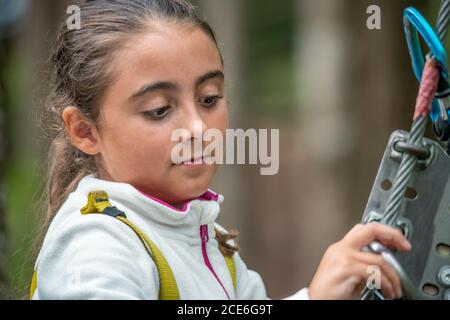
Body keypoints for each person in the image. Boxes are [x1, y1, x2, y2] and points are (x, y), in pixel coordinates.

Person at [30, 0, 411, 300]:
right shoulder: (96, 244)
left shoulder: (203, 233)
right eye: (159, 110)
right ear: (84, 130)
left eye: (209, 99)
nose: (197, 128)